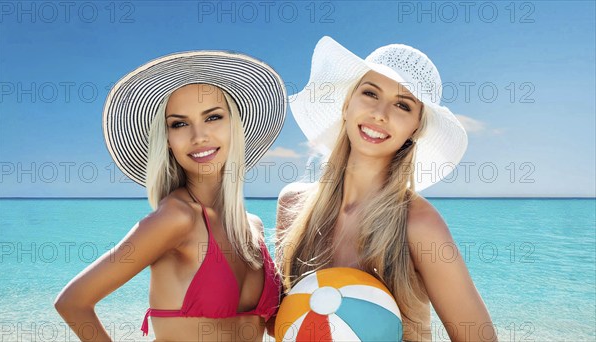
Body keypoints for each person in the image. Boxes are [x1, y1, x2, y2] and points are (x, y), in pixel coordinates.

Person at [55, 50, 286, 341]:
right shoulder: (177, 218)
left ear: (234, 124)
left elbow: (276, 327)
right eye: (179, 123)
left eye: (213, 117)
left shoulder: (252, 227)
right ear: (166, 141)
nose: (198, 136)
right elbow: (73, 302)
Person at [276, 36, 496, 341]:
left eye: (402, 105)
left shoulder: (418, 224)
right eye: (370, 93)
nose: (380, 113)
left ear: (414, 129)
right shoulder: (292, 205)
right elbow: (281, 323)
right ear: (346, 104)